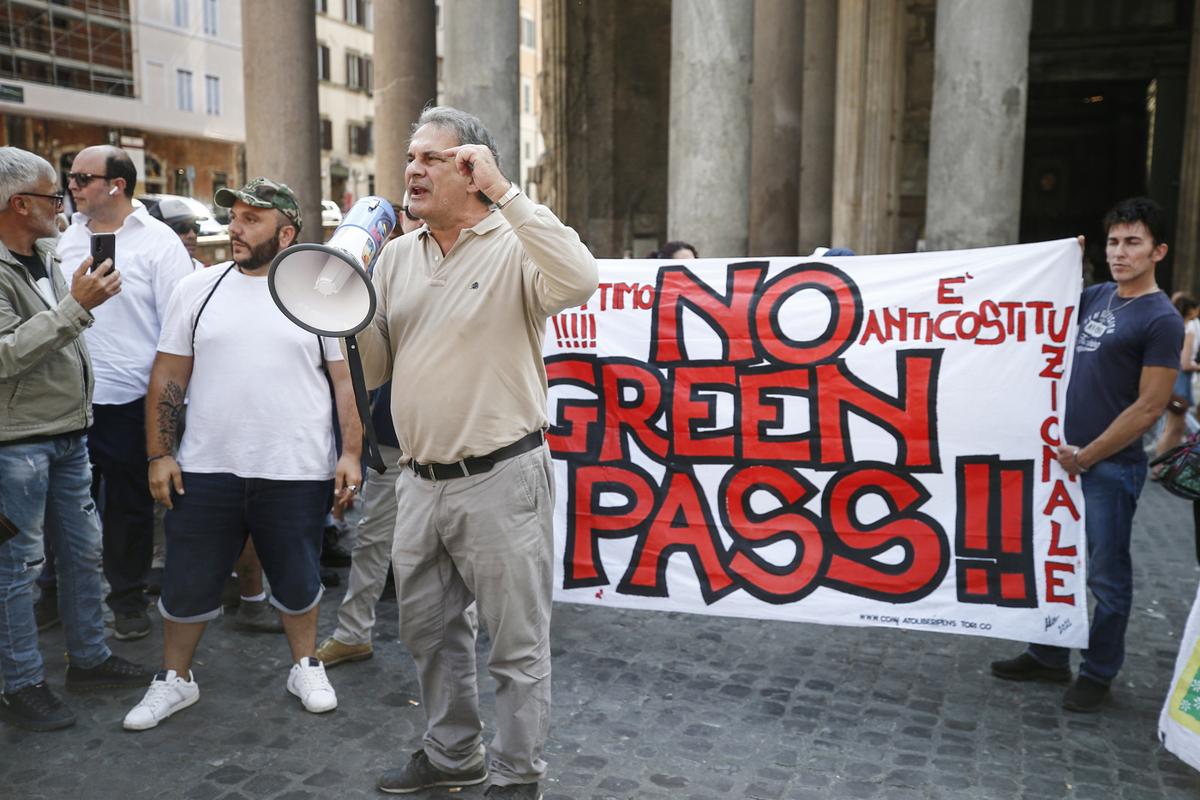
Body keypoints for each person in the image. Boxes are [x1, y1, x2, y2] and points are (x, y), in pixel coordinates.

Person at [362, 107, 597, 799]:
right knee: (428, 635)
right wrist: (338, 308)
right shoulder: (397, 256)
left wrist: (508, 194)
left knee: (516, 647)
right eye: (411, 157)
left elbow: (580, 279)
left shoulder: (514, 245)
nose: (413, 170)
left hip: (501, 479)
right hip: (419, 481)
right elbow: (373, 366)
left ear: (472, 169)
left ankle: (518, 777)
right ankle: (452, 753)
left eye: (433, 159)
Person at [122, 178, 363, 731]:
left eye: (251, 219)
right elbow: (168, 375)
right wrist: (160, 453)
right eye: (234, 216)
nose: (234, 227)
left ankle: (304, 665)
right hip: (208, 465)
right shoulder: (198, 288)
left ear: (286, 232)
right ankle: (175, 680)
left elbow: (346, 381)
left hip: (296, 464)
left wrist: (350, 453)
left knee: (299, 575)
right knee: (187, 578)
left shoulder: (318, 296)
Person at [991, 196, 1183, 712]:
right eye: (1114, 242)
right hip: (1065, 461)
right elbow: (1038, 306)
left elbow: (1150, 406)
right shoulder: (1099, 295)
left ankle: (1099, 672)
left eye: (1133, 243)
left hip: (1109, 467)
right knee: (1054, 559)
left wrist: (1089, 455)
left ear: (1157, 251)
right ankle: (1049, 655)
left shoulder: (1161, 319)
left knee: (1106, 574)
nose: (1120, 252)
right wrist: (1058, 261)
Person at [0, 146, 151, 731]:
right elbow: (6, 355)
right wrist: (75, 309)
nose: (61, 205)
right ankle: (20, 685)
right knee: (17, 567)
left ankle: (88, 658)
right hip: (17, 444)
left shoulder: (44, 252)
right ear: (19, 205)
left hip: (67, 433)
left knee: (83, 554)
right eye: (51, 195)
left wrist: (74, 305)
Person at [56, 146, 193, 641]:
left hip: (131, 397)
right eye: (69, 177)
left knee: (130, 506)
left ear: (116, 185)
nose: (70, 184)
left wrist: (171, 407)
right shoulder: (64, 237)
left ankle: (128, 597)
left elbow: (180, 330)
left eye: (81, 177)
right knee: (64, 503)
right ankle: (58, 594)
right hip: (68, 397)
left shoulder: (159, 243)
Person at [315, 204, 424, 668]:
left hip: (448, 435)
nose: (416, 220)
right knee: (373, 540)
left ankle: (449, 639)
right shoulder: (388, 267)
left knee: (458, 550)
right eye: (409, 213)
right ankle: (353, 631)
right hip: (394, 433)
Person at [1152, 294, 1199, 462]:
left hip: (1173, 378)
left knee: (1175, 427)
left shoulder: (1175, 326)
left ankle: (1165, 463)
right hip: (1180, 379)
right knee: (1173, 427)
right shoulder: (1188, 330)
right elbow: (1185, 363)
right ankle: (1160, 465)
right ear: (1191, 311)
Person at [144, 196, 205, 270]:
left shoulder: (203, 272)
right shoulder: (142, 273)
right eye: (182, 227)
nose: (192, 235)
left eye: (195, 227)